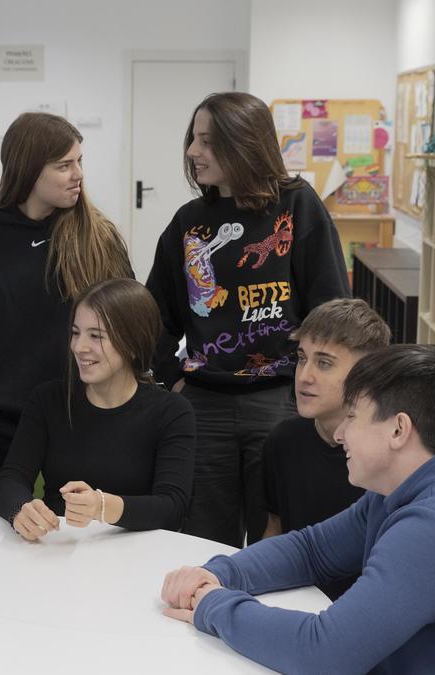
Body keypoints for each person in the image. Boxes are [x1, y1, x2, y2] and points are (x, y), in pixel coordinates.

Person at [160, 345, 435, 674]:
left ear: (398, 429)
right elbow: (312, 549)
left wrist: (212, 605)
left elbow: (324, 653)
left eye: (352, 416)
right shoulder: (403, 488)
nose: (339, 433)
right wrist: (219, 574)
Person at [146, 91, 350, 548]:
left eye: (206, 141)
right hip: (202, 404)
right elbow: (152, 315)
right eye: (193, 140)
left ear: (242, 143)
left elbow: (332, 310)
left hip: (279, 401)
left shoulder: (297, 206)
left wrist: (320, 387)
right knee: (201, 543)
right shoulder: (189, 223)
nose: (193, 153)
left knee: (274, 541)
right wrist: (171, 377)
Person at [0, 111, 132, 513]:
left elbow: (128, 321)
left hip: (79, 416)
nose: (77, 174)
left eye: (79, 161)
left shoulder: (98, 236)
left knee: (75, 544)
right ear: (28, 170)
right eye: (64, 165)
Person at [0, 278, 195, 539]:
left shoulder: (172, 412)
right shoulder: (48, 400)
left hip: (138, 556)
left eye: (96, 336)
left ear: (133, 343)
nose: (78, 347)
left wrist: (102, 507)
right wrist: (20, 510)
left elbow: (172, 507)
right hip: (59, 548)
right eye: (76, 333)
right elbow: (11, 478)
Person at [261, 298, 391, 599]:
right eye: (302, 358)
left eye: (324, 363)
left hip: (365, 611)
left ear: (366, 373)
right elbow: (273, 532)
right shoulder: (282, 440)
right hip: (295, 599)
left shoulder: (387, 459)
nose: (304, 376)